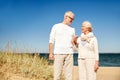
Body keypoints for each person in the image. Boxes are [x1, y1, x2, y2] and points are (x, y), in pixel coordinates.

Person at [49, 11, 75, 80]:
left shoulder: (72, 29)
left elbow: (73, 43)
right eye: (71, 18)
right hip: (58, 53)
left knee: (69, 76)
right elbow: (51, 41)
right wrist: (51, 53)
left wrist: (75, 41)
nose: (72, 21)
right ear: (65, 17)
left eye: (73, 19)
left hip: (69, 53)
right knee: (57, 75)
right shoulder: (56, 26)